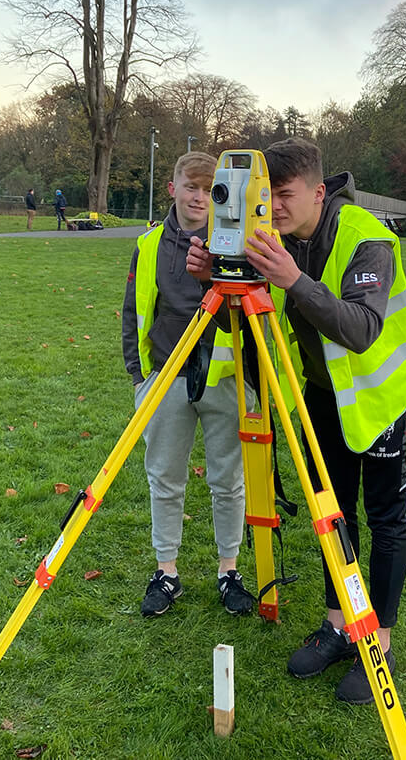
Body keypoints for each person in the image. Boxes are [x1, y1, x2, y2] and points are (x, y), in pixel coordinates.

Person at [186, 138, 406, 704]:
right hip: (323, 394)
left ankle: (379, 644)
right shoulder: (282, 239)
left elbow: (363, 330)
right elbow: (252, 340)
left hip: (383, 394)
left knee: (385, 518)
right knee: (332, 514)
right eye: (268, 197)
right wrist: (217, 279)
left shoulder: (366, 237)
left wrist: (292, 280)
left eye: (285, 196)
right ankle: (339, 626)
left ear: (319, 192)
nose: (276, 208)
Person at [122, 151, 256, 618]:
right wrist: (140, 378)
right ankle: (167, 572)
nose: (200, 197)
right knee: (164, 479)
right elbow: (133, 312)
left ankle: (228, 571)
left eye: (209, 188)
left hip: (223, 379)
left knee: (228, 481)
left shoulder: (237, 242)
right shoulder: (150, 243)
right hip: (165, 378)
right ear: (173, 188)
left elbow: (249, 317)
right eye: (191, 186)